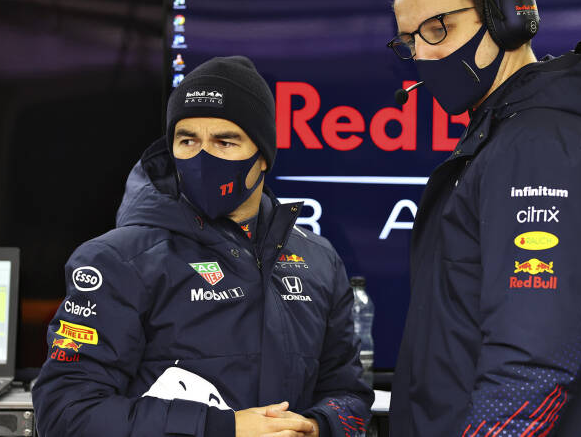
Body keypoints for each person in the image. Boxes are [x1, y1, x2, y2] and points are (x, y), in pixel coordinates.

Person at [31, 56, 373, 437]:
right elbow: (64, 413)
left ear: (262, 156)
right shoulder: (116, 261)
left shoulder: (320, 261)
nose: (202, 156)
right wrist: (223, 429)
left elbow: (350, 398)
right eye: (188, 140)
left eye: (225, 142)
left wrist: (316, 426)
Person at [386, 0, 581, 436]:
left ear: (509, 19)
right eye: (409, 41)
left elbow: (535, 360)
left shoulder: (537, 143)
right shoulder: (501, 134)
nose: (423, 54)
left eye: (437, 28)